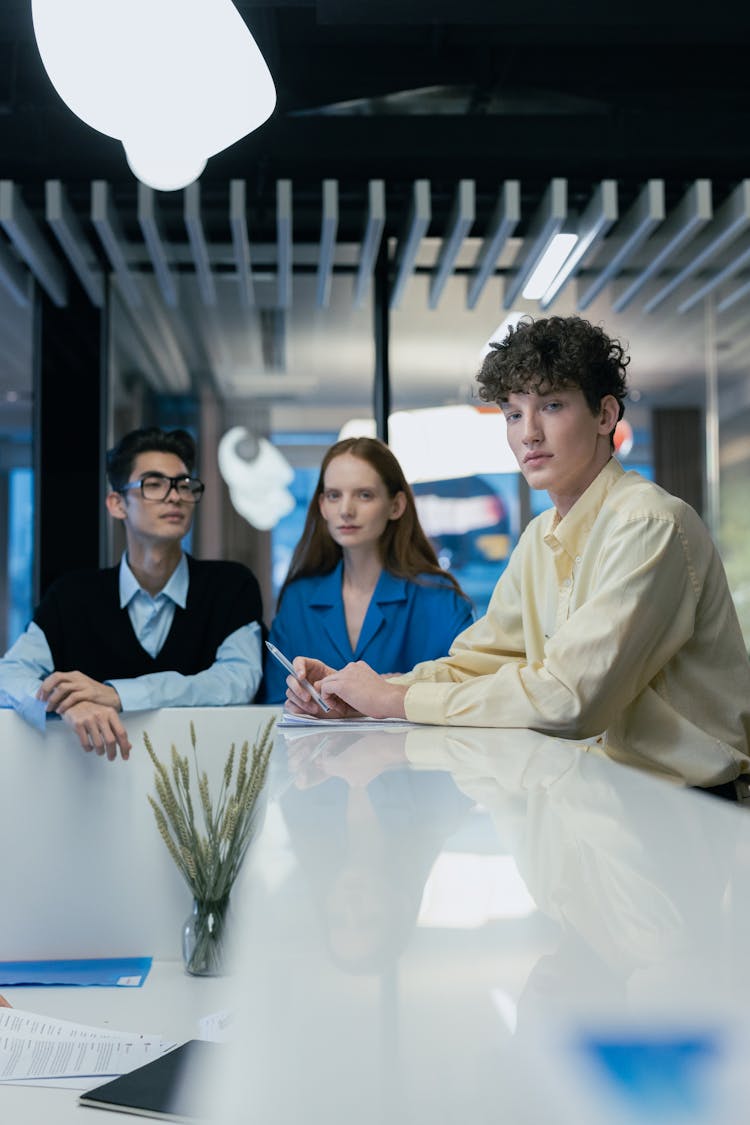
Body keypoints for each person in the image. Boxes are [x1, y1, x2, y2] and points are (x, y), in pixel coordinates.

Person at [285, 316, 750, 790]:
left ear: (606, 416)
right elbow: (478, 662)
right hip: (598, 795)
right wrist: (359, 693)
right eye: (512, 413)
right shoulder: (538, 536)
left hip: (690, 806)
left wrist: (391, 701)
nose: (528, 433)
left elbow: (569, 699)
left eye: (551, 405)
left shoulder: (648, 525)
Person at [0, 426, 264, 762]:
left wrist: (116, 694)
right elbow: (9, 674)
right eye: (154, 484)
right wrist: (64, 703)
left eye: (184, 485)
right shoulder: (72, 596)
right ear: (117, 503)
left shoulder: (230, 586)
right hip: (92, 787)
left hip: (206, 784)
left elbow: (238, 680)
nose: (175, 496)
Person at [260, 436, 472, 703]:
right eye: (334, 496)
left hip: (413, 746)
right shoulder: (298, 599)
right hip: (314, 745)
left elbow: (466, 695)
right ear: (323, 506)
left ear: (396, 506)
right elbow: (276, 705)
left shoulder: (440, 599)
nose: (346, 510)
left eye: (364, 495)